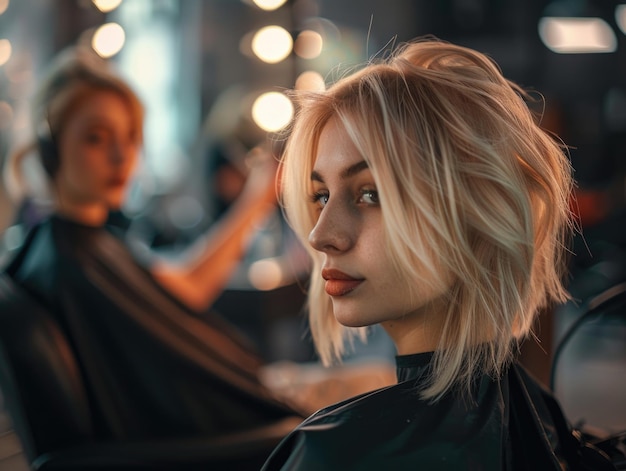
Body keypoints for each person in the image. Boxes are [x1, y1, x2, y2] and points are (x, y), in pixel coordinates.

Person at [262, 38, 615, 470]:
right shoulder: (536, 417)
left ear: (473, 216)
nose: (321, 235)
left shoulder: (330, 455)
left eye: (370, 193)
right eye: (320, 195)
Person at [0, 45, 304, 451]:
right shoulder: (74, 261)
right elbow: (187, 293)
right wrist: (255, 201)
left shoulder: (84, 246)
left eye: (129, 137)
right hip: (240, 442)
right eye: (96, 137)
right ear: (51, 149)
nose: (120, 155)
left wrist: (255, 199)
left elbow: (183, 287)